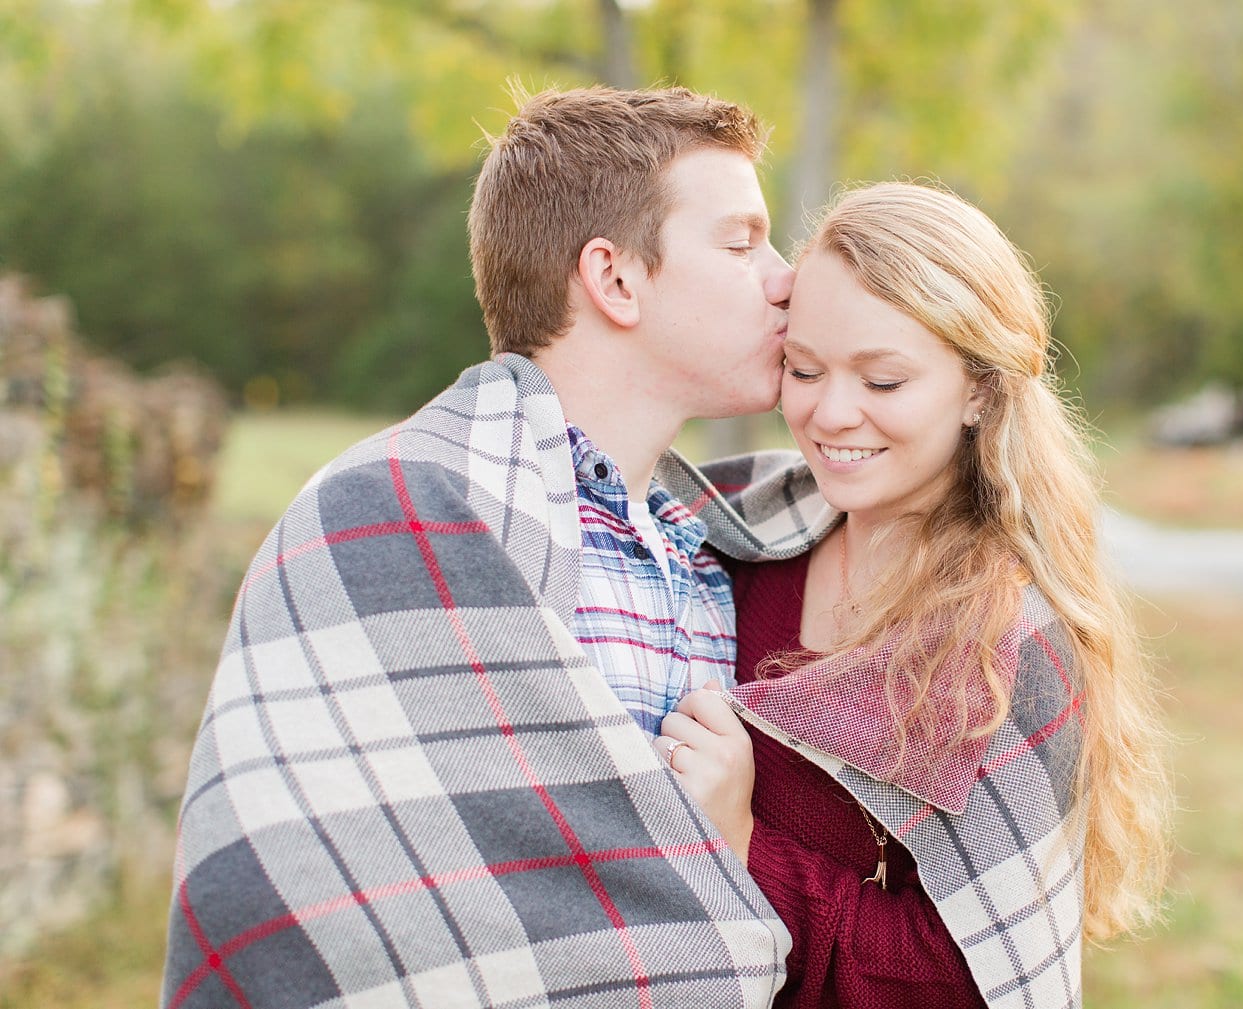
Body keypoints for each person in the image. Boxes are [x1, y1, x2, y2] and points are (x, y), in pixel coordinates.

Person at [160, 85, 833, 1009]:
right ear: (616, 279)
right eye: (741, 241)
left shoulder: (713, 549)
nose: (785, 276)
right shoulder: (390, 512)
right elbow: (298, 890)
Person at [656, 183, 1173, 1008]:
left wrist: (744, 837)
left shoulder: (1006, 642)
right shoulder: (728, 543)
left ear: (977, 390)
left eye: (883, 381)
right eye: (804, 367)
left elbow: (966, 983)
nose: (830, 412)